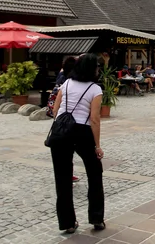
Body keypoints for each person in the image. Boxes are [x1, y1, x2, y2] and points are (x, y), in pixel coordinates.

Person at [50, 53, 106, 234]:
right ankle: (96, 218)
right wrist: (97, 145)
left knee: (62, 178)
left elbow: (55, 109)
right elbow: (95, 119)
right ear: (93, 69)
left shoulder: (66, 84)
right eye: (97, 67)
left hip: (61, 132)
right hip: (82, 131)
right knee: (95, 172)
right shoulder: (95, 89)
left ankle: (67, 222)